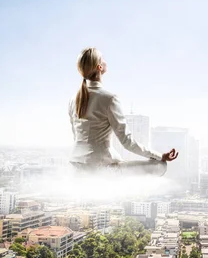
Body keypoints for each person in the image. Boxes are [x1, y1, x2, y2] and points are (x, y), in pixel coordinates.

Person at [68, 47, 178, 175]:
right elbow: (126, 142)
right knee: (160, 165)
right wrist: (159, 156)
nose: (105, 61)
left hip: (76, 165)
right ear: (99, 67)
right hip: (101, 169)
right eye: (103, 59)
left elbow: (76, 137)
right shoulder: (109, 99)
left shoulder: (73, 99)